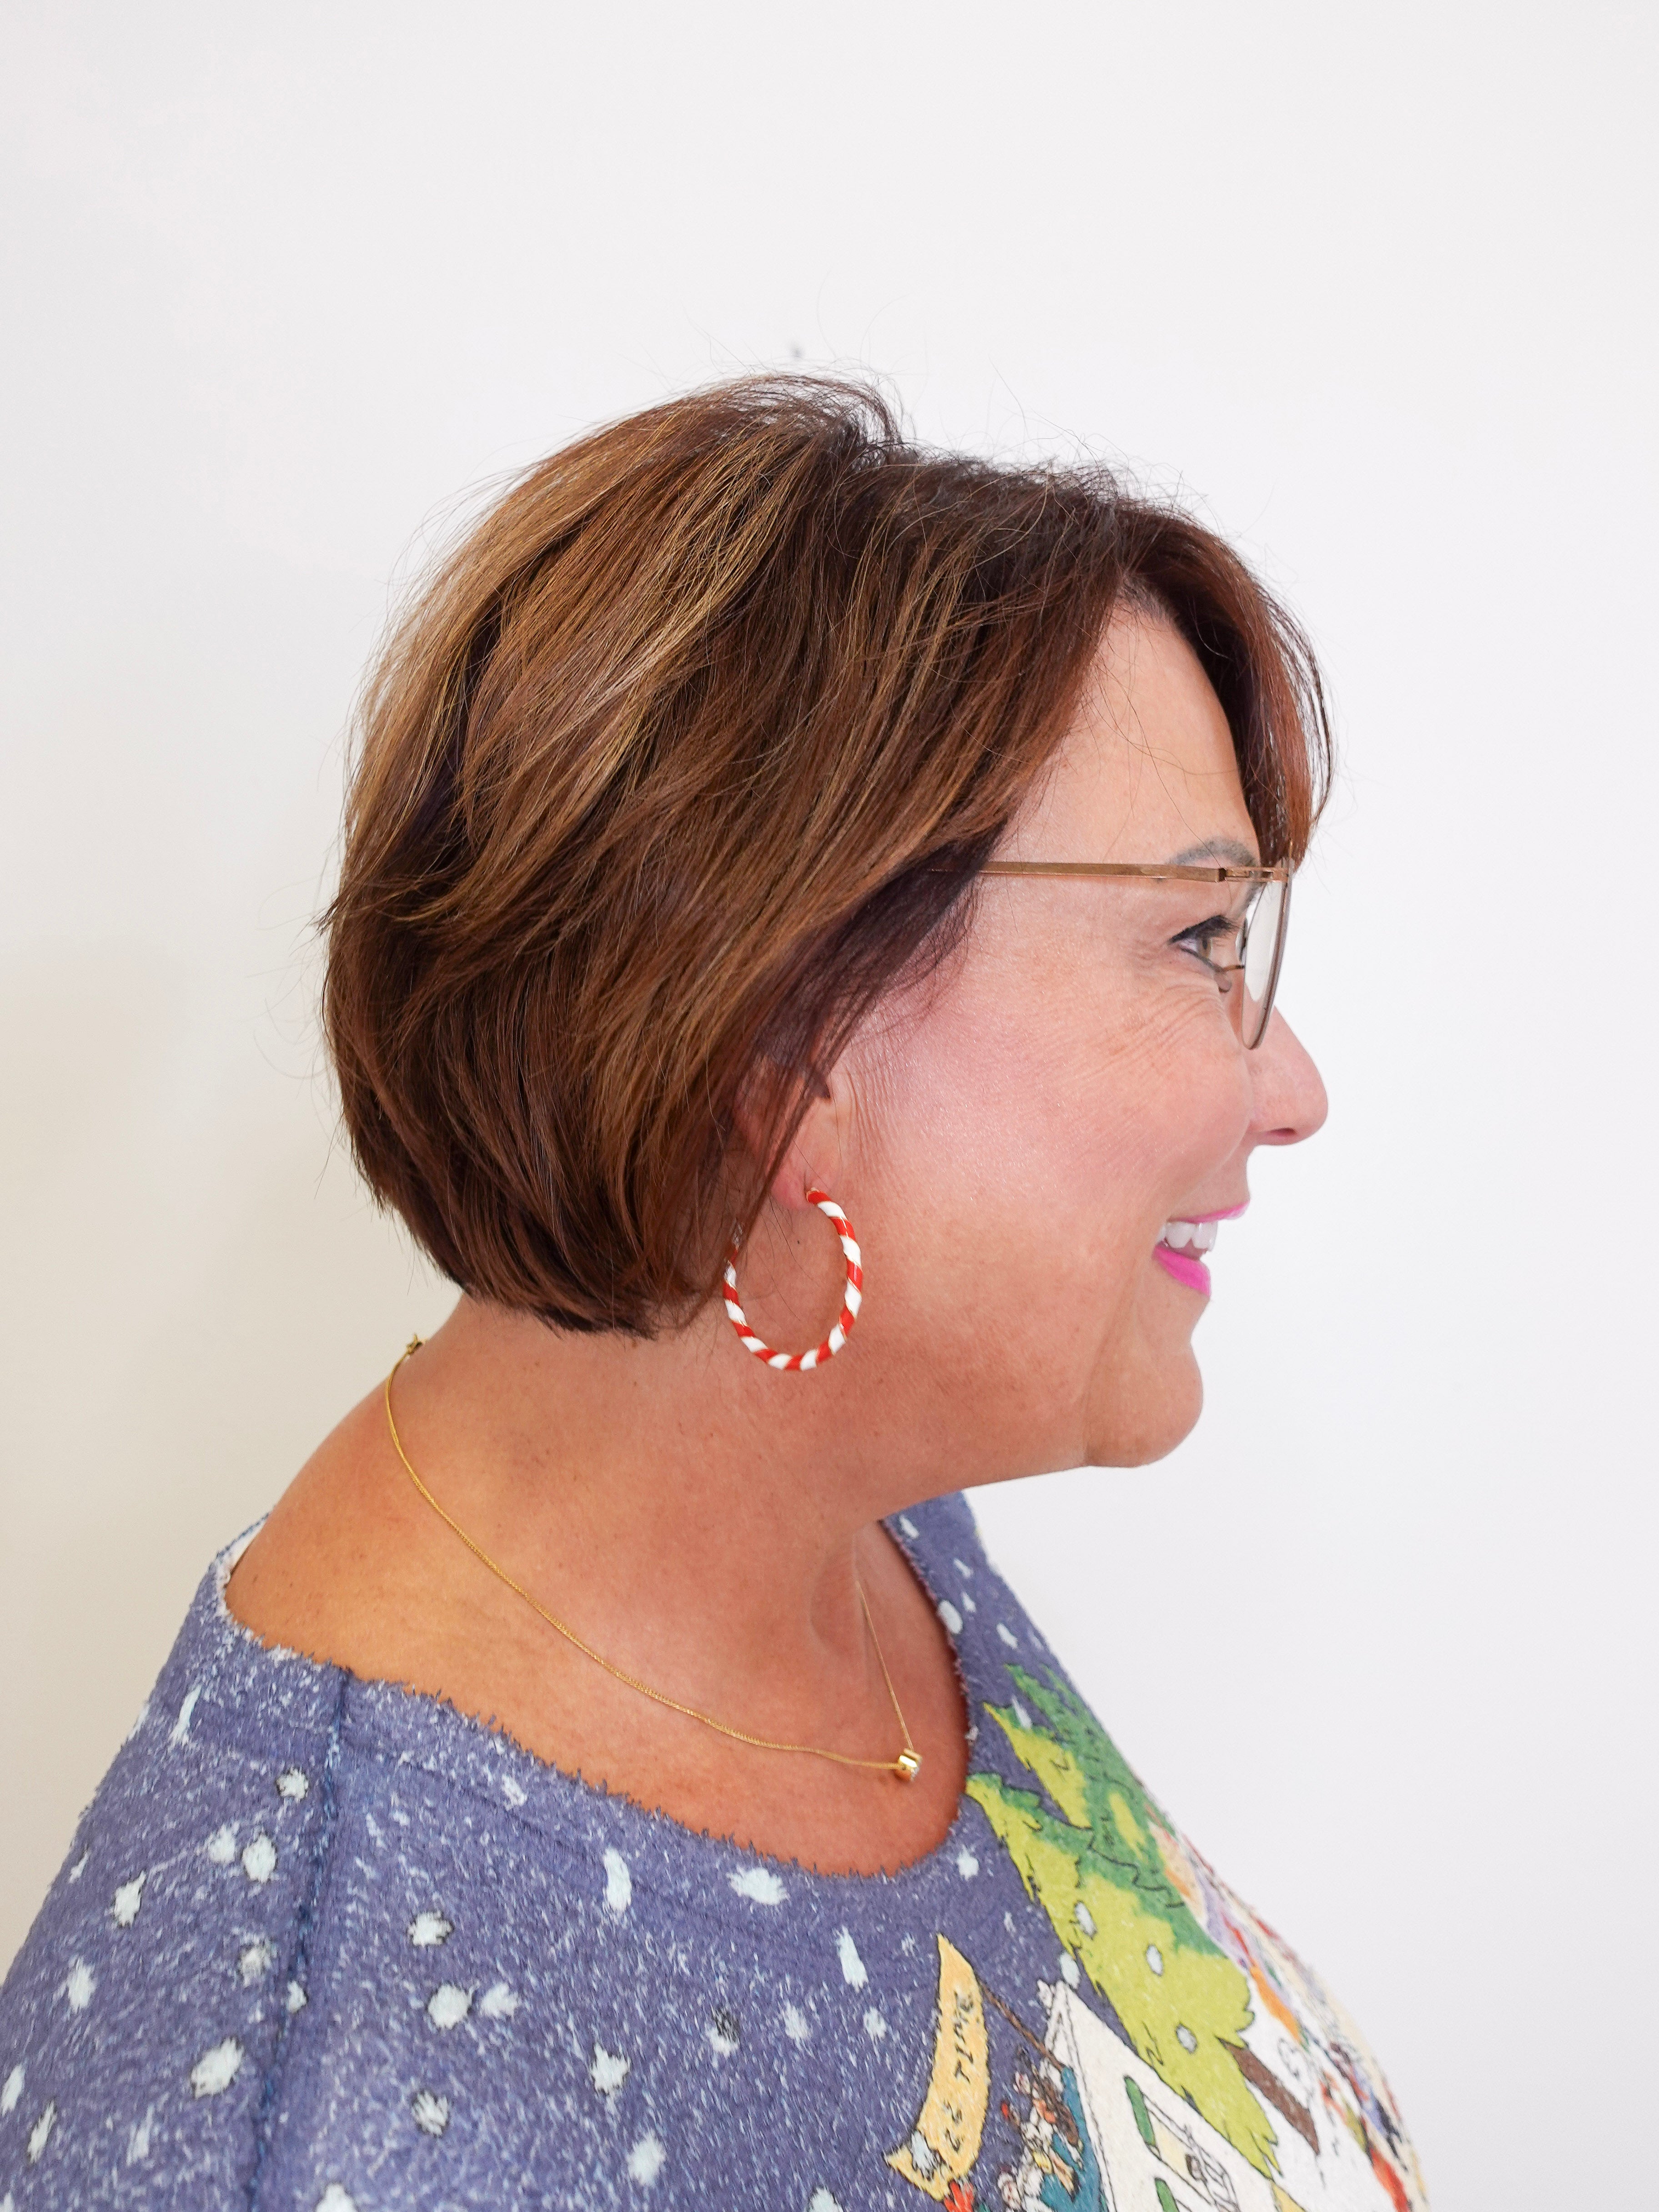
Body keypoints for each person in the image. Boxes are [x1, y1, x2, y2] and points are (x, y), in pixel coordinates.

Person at [0, 378, 1428, 2210]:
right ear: (786, 1029)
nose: (1288, 1080)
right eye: (1197, 935)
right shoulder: (315, 2124)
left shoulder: (863, 1488)